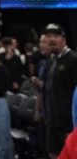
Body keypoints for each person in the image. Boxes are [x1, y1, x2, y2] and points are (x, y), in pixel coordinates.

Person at [43, 23, 77, 158]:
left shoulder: (73, 59)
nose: (52, 39)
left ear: (64, 39)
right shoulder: (52, 60)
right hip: (52, 122)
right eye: (49, 36)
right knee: (52, 153)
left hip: (68, 125)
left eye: (55, 36)